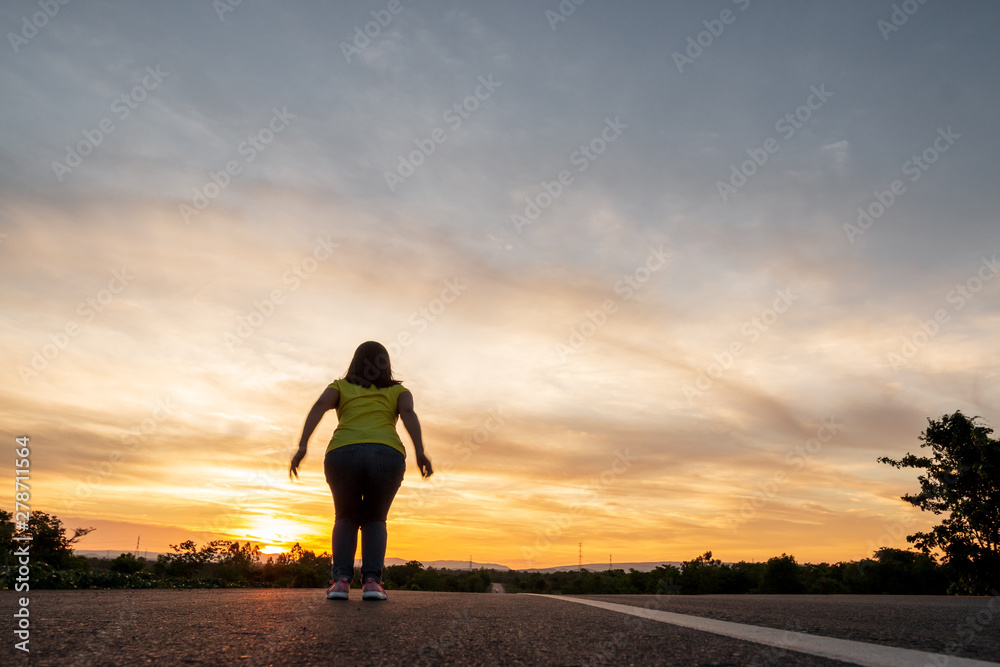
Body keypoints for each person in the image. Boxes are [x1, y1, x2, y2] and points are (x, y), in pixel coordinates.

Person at [289, 341, 432, 601]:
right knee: (375, 518)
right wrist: (420, 452)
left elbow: (320, 405)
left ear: (354, 363)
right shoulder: (400, 392)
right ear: (386, 365)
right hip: (386, 454)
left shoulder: (339, 387)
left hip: (343, 453)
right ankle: (372, 584)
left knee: (345, 516)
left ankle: (341, 582)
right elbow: (409, 413)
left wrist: (302, 446)